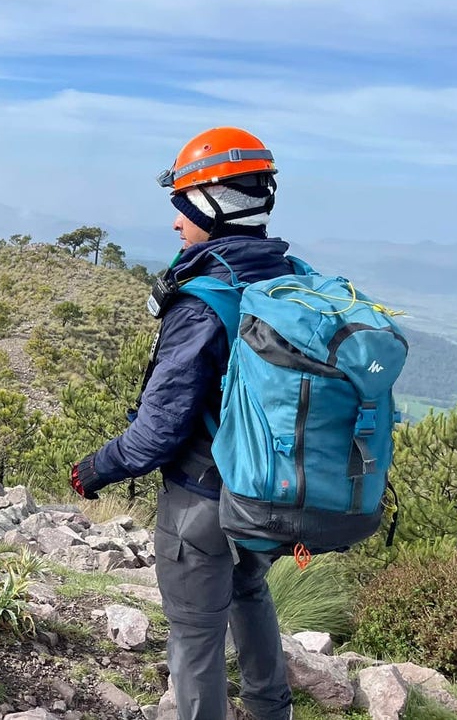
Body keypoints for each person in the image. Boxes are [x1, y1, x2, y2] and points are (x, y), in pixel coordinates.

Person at [69, 127, 294, 720]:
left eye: (184, 206)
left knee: (195, 638)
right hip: (268, 493)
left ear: (213, 203)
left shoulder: (204, 301)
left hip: (202, 499)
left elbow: (158, 432)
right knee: (250, 592)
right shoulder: (288, 279)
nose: (176, 223)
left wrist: (95, 468)